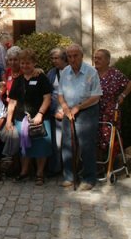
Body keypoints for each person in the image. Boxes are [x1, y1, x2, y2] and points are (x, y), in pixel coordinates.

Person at [58, 44, 102, 190]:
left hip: (87, 111)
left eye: (75, 56)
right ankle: (69, 177)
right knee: (67, 144)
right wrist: (65, 107)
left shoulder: (91, 72)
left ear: (82, 56)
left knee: (86, 145)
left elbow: (96, 96)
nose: (72, 59)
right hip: (68, 111)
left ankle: (89, 179)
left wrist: (78, 107)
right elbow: (60, 94)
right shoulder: (65, 71)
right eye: (69, 56)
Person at [6, 49, 52, 186]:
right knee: (24, 147)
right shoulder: (18, 80)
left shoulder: (41, 77)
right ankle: (24, 172)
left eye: (28, 63)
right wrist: (9, 120)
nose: (25, 66)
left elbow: (47, 98)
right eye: (23, 63)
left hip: (40, 118)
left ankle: (39, 173)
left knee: (41, 146)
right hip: (21, 119)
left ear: (34, 63)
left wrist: (40, 114)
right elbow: (12, 101)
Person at [94, 49, 131, 152]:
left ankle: (109, 164)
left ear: (107, 60)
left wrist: (123, 95)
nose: (96, 60)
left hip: (110, 112)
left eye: (99, 58)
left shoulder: (115, 73)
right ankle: (96, 165)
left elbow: (129, 83)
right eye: (95, 58)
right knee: (94, 139)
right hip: (93, 110)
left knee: (110, 138)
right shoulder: (91, 73)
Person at [47, 47, 68, 176]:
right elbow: (47, 91)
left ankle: (68, 168)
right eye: (52, 58)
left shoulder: (70, 71)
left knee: (66, 141)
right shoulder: (51, 73)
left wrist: (62, 109)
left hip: (67, 109)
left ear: (63, 58)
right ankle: (56, 168)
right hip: (53, 110)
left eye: (57, 58)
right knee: (55, 141)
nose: (54, 61)